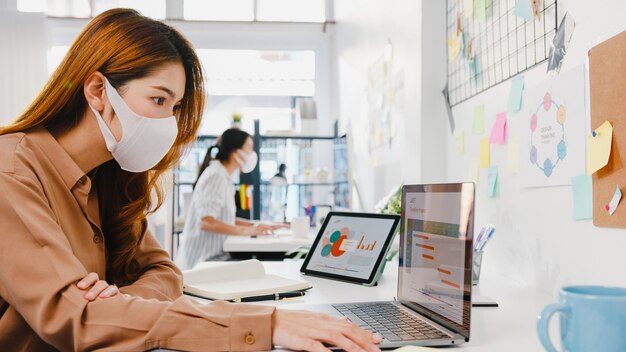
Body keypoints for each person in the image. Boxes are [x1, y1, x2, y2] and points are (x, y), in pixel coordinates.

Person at [0, 8, 382, 352]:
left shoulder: (108, 178)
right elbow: (75, 318)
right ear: (99, 91)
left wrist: (117, 303)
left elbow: (164, 273)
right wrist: (265, 324)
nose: (169, 121)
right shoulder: (11, 170)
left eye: (176, 106)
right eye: (159, 100)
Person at [175, 127, 283, 269]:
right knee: (263, 266)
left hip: (216, 256)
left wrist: (255, 225)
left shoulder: (223, 175)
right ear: (235, 152)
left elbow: (225, 218)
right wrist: (247, 231)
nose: (252, 153)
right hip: (204, 260)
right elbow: (206, 222)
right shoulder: (216, 176)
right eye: (249, 147)